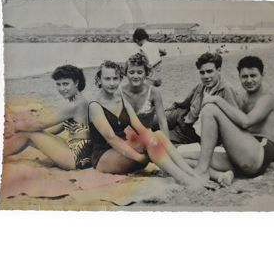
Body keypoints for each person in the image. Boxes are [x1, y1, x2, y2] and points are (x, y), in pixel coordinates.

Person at [87, 60, 216, 189]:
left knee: (158, 134)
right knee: (149, 142)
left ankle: (192, 174)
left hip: (124, 151)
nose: (112, 83)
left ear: (120, 79)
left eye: (115, 78)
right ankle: (184, 179)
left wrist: (157, 141)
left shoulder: (121, 101)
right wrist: (139, 158)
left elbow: (141, 129)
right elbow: (112, 139)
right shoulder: (95, 105)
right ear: (99, 80)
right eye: (107, 79)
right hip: (104, 157)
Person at [188, 56, 274, 185]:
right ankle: (220, 175)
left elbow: (246, 122)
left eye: (253, 75)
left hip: (257, 156)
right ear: (239, 77)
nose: (249, 80)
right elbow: (231, 128)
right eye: (244, 76)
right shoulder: (241, 98)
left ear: (262, 75)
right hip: (241, 155)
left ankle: (203, 171)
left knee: (210, 109)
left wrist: (217, 99)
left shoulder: (267, 99)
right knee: (185, 156)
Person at [3, 65, 93, 170]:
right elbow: (54, 129)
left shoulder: (75, 105)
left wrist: (16, 127)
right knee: (28, 131)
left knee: (27, 132)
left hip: (76, 158)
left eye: (65, 84)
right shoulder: (79, 101)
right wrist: (26, 127)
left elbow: (42, 124)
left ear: (76, 82)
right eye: (58, 84)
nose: (62, 89)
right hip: (79, 153)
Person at [153, 52, 238, 146]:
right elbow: (185, 103)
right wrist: (171, 108)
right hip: (183, 120)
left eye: (209, 71)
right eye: (202, 72)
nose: (206, 76)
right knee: (147, 123)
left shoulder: (227, 89)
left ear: (218, 70)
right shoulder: (201, 86)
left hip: (195, 136)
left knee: (156, 143)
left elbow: (234, 121)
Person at [117, 53, 170, 150]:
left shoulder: (154, 92)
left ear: (146, 73)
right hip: (124, 141)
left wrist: (168, 147)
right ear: (126, 73)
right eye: (131, 72)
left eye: (139, 72)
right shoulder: (119, 93)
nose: (135, 76)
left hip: (146, 140)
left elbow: (162, 122)